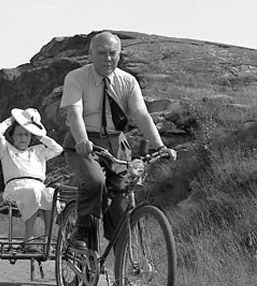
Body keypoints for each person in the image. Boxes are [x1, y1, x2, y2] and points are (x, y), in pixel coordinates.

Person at [59, 31, 177, 248]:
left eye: (113, 53)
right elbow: (74, 114)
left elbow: (141, 115)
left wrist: (160, 146)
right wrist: (83, 140)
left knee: (123, 199)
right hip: (84, 143)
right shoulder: (76, 78)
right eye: (102, 53)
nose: (108, 58)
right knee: (95, 182)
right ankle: (81, 233)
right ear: (90, 54)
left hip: (117, 146)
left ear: (120, 54)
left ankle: (122, 269)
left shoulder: (128, 81)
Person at [0, 108, 63, 252]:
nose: (23, 138)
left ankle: (47, 240)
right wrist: (12, 120)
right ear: (13, 136)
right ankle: (28, 240)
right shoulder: (7, 150)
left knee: (51, 193)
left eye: (26, 134)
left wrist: (40, 134)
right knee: (33, 192)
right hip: (16, 189)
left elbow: (58, 149)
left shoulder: (38, 151)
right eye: (19, 134)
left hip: (38, 187)